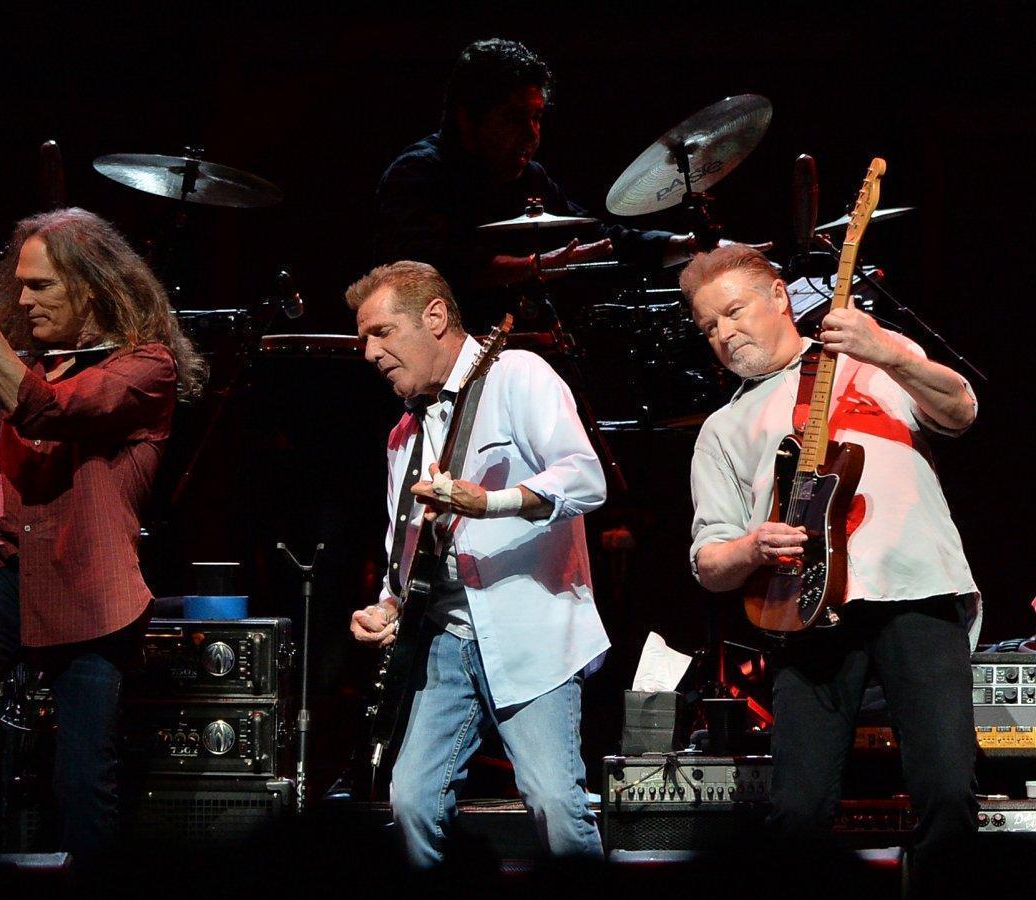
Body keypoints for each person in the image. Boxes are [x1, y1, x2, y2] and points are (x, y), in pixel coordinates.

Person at [0, 207, 205, 862]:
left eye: (39, 286)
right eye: (17, 286)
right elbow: (11, 491)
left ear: (91, 288)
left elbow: (48, 412)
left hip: (89, 587)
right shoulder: (32, 363)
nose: (22, 300)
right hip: (4, 566)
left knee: (81, 776)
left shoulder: (146, 367)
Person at [681, 244, 979, 891]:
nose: (724, 335)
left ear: (780, 297)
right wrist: (753, 547)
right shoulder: (723, 429)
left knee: (950, 796)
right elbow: (708, 561)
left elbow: (961, 411)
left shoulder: (867, 356)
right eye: (709, 327)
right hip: (806, 618)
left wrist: (887, 352)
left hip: (914, 593)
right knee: (795, 813)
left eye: (733, 311)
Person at [345, 260, 609, 866]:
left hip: (530, 630)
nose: (369, 353)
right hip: (444, 635)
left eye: (381, 332)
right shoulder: (402, 435)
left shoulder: (517, 376)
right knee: (411, 801)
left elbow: (585, 478)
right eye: (364, 339)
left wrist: (490, 502)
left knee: (552, 800)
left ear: (434, 317)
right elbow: (403, 547)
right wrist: (388, 606)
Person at [373, 38, 697, 329]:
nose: (532, 134)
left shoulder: (531, 177)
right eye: (514, 118)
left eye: (537, 117)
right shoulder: (416, 174)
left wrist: (687, 245)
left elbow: (599, 239)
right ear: (467, 118)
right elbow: (429, 270)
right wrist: (534, 266)